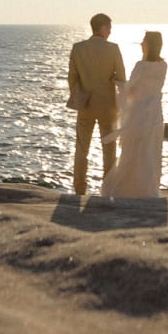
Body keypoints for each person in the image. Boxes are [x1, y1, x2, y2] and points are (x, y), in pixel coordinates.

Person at [100, 30, 167, 199]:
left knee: (134, 151)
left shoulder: (141, 65)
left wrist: (117, 83)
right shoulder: (163, 66)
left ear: (148, 45)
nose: (141, 43)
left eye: (144, 41)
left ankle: (129, 190)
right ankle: (148, 188)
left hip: (140, 113)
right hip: (155, 113)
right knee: (151, 151)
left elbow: (131, 92)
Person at [68, 12, 126, 196]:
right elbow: (122, 79)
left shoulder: (78, 48)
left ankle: (79, 188)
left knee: (81, 148)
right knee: (109, 149)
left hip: (85, 105)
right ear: (102, 28)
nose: (110, 31)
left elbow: (72, 77)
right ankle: (107, 189)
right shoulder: (113, 49)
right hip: (108, 107)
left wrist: (78, 97)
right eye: (109, 27)